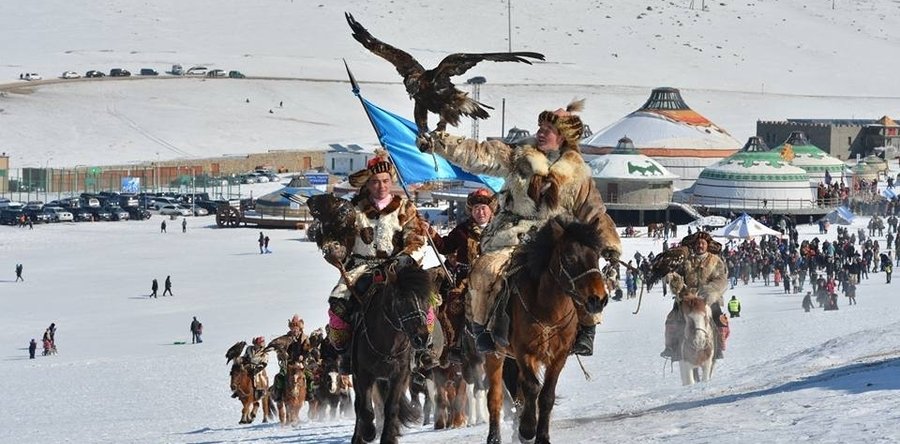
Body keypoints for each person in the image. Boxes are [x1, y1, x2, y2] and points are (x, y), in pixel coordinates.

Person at [418, 99, 622, 356]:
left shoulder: (578, 174)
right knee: (485, 269)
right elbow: (479, 154)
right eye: (540, 126)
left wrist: (611, 247)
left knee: (586, 275)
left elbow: (594, 212)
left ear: (562, 137)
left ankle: (588, 329)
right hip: (512, 237)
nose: (540, 132)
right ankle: (481, 328)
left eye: (548, 129)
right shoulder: (517, 157)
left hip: (554, 239)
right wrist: (440, 143)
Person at [324, 151, 430, 374]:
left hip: (398, 267)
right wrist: (335, 250)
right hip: (361, 267)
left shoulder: (405, 208)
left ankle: (423, 350)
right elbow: (341, 240)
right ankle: (346, 352)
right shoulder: (355, 211)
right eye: (375, 182)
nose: (381, 186)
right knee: (339, 304)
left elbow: (417, 238)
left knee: (426, 301)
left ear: (391, 182)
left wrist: (405, 258)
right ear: (368, 184)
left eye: (385, 181)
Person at [430, 188, 498, 360]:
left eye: (483, 208)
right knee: (455, 304)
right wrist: (431, 233)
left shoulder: (500, 230)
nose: (480, 212)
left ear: (491, 210)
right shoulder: (462, 230)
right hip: (466, 280)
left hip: (495, 277)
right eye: (476, 209)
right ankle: (455, 344)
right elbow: (445, 247)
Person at [660, 232, 729, 360]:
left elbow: (721, 279)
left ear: (707, 245)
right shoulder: (686, 260)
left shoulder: (716, 261)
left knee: (719, 319)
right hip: (687, 297)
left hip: (709, 297)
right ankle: (671, 347)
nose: (700, 245)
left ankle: (718, 346)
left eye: (703, 243)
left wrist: (710, 292)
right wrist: (675, 281)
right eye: (697, 243)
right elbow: (678, 276)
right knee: (672, 318)